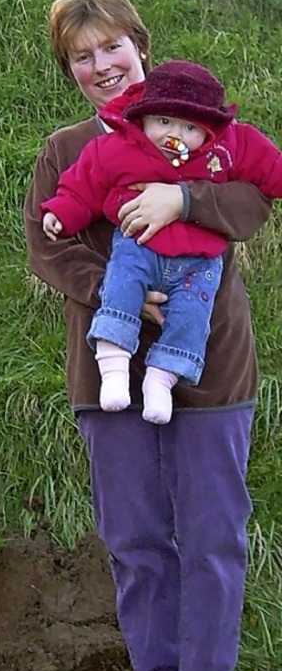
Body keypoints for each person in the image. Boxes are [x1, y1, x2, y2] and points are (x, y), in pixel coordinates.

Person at [24, 0, 272, 671]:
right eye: (82, 56)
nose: (102, 66)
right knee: (133, 534)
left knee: (210, 533)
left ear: (141, 45)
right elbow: (48, 245)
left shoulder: (211, 135)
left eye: (112, 47)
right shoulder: (66, 150)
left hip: (211, 366)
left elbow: (256, 198)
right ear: (69, 70)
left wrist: (184, 197)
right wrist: (121, 299)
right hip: (108, 370)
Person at [40, 60, 282, 424]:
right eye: (164, 122)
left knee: (191, 314)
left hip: (198, 264)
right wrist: (61, 213)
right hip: (138, 247)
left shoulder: (227, 148)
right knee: (123, 279)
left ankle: (162, 378)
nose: (175, 135)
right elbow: (83, 186)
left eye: (189, 127)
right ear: (144, 117)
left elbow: (267, 175)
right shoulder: (117, 146)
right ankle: (114, 367)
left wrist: (185, 200)